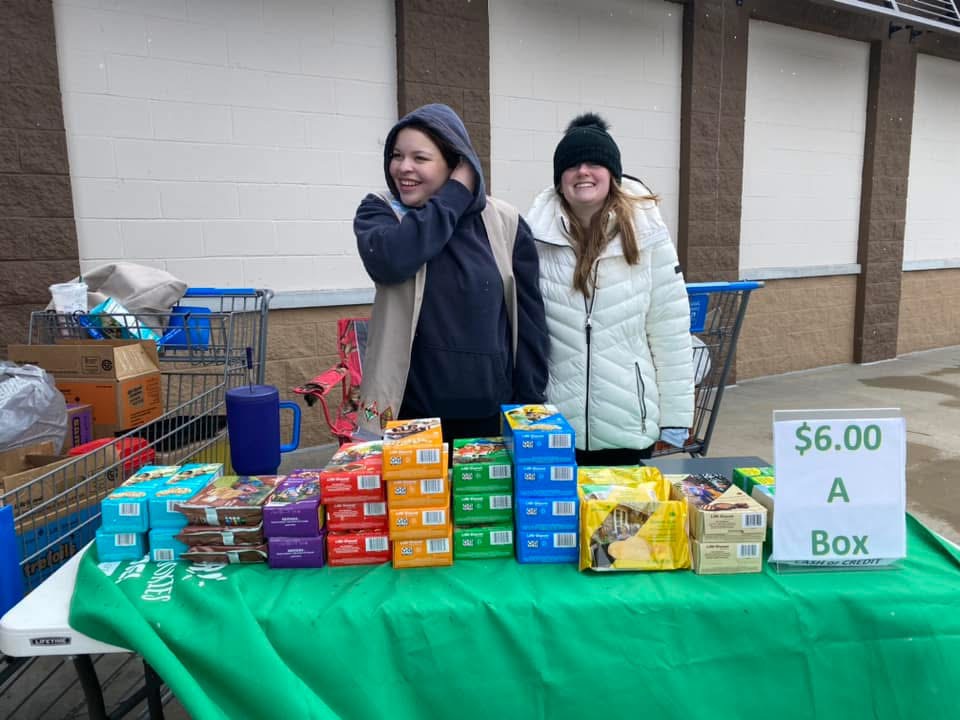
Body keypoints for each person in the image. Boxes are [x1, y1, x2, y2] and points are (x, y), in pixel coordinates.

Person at [354, 103, 549, 442]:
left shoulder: (505, 222)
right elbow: (392, 261)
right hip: (408, 419)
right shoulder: (381, 212)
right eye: (397, 155)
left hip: (488, 420)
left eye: (420, 158)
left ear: (455, 162)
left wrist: (528, 408)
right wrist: (456, 193)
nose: (403, 167)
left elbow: (530, 324)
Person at [526, 113, 694, 466]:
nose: (583, 171)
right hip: (554, 427)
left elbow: (670, 329)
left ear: (612, 174)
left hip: (628, 425)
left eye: (594, 162)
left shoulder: (648, 235)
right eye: (571, 164)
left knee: (624, 522)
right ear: (559, 180)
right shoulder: (534, 236)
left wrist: (676, 417)